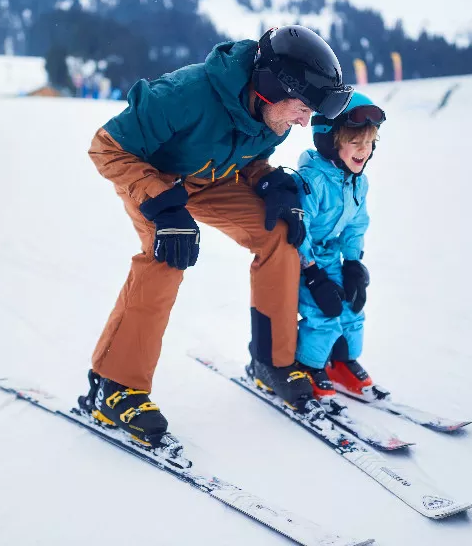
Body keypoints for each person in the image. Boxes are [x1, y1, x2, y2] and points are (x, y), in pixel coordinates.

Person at [77, 25, 354, 446]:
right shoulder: (184, 94)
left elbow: (248, 159)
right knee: (167, 251)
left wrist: (269, 181)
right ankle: (114, 387)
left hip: (213, 180)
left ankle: (272, 362)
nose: (303, 122)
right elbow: (106, 147)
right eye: (302, 108)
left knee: (279, 231)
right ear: (272, 87)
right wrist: (164, 204)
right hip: (153, 178)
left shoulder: (268, 114)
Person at [292, 92, 385, 401]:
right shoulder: (312, 180)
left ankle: (341, 361)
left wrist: (353, 263)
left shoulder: (359, 181)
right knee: (323, 312)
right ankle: (309, 365)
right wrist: (314, 275)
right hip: (305, 258)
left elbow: (356, 224)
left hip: (332, 255)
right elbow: (298, 230)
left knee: (352, 307)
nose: (364, 151)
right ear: (331, 142)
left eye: (369, 143)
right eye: (355, 143)